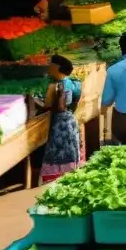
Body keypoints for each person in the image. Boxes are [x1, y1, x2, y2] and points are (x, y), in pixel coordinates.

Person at [39, 54, 85, 184]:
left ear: (57, 68)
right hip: (71, 121)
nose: (48, 67)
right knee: (71, 152)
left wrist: (35, 101)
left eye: (51, 65)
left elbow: (52, 105)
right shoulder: (75, 83)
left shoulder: (56, 85)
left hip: (59, 125)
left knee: (57, 154)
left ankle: (55, 182)